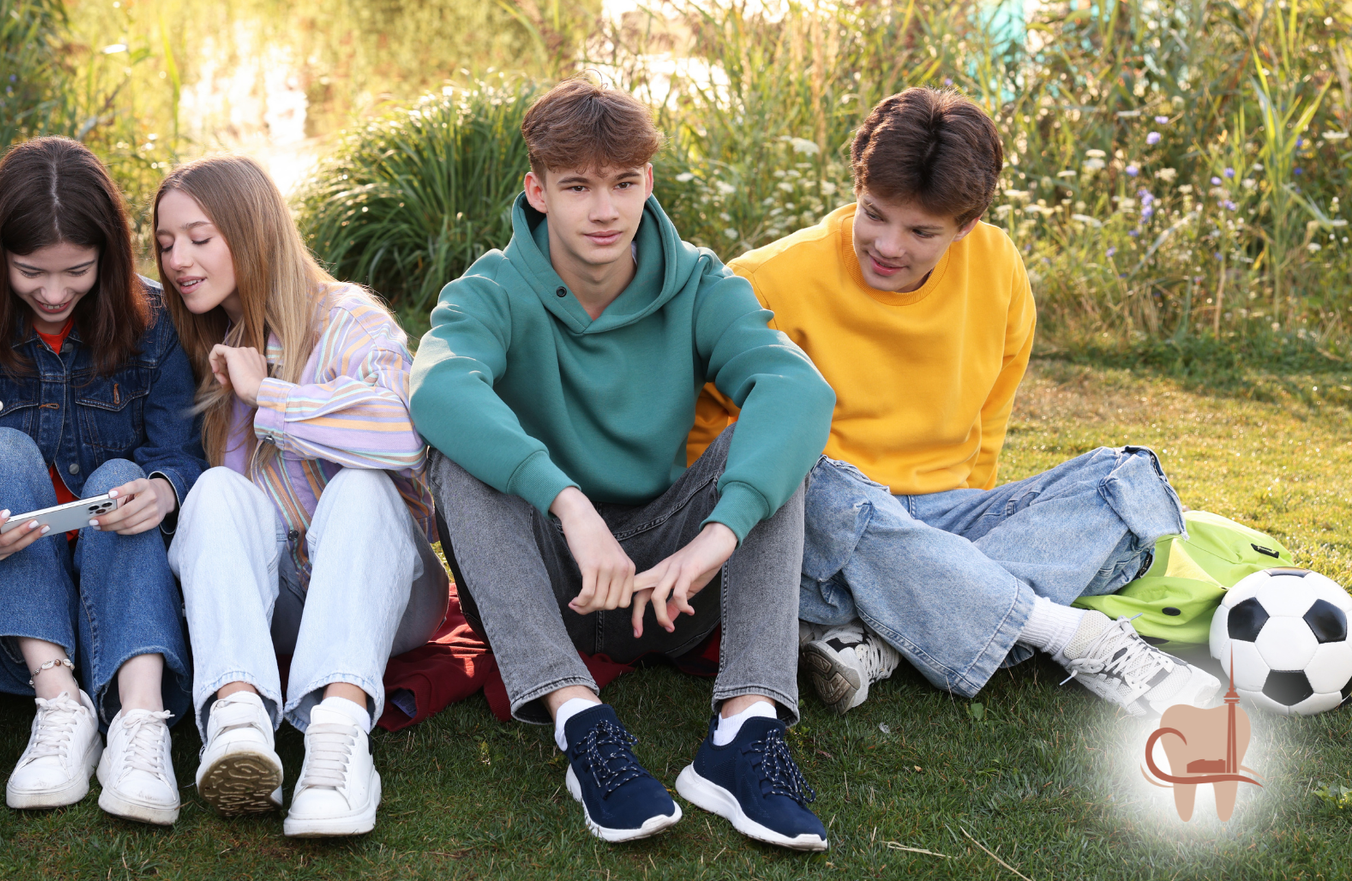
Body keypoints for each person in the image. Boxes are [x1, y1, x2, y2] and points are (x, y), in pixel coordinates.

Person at [688, 86, 1220, 716]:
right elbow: (706, 452)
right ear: (857, 186)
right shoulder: (765, 278)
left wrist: (940, 561)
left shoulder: (997, 264)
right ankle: (1076, 636)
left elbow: (991, 414)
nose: (889, 245)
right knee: (805, 468)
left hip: (946, 515)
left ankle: (882, 637)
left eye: (921, 231)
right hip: (820, 531)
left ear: (966, 225)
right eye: (874, 214)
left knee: (1127, 481)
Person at [409, 79, 836, 850]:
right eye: (578, 187)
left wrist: (716, 539)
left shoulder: (699, 281)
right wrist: (567, 503)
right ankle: (580, 721)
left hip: (672, 585)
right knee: (460, 456)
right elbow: (437, 386)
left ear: (648, 184)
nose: (604, 210)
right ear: (537, 191)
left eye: (624, 184)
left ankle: (746, 727)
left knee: (773, 447)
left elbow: (796, 388)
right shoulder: (491, 289)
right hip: (551, 583)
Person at [0, 137, 204, 825]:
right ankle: (59, 703)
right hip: (15, 608)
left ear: (109, 258)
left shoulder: (155, 322)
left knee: (125, 475)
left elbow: (182, 451)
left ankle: (140, 721)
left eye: (78, 272)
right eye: (31, 272)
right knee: (3, 450)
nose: (55, 293)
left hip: (123, 589)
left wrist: (162, 491)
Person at [156, 154, 448, 838]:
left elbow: (406, 434)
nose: (178, 261)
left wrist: (269, 397)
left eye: (199, 238)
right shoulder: (207, 345)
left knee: (362, 485)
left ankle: (337, 740)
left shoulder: (347, 319)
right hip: (284, 599)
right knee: (216, 490)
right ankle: (237, 721)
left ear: (251, 231)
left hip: (387, 590)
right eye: (166, 244)